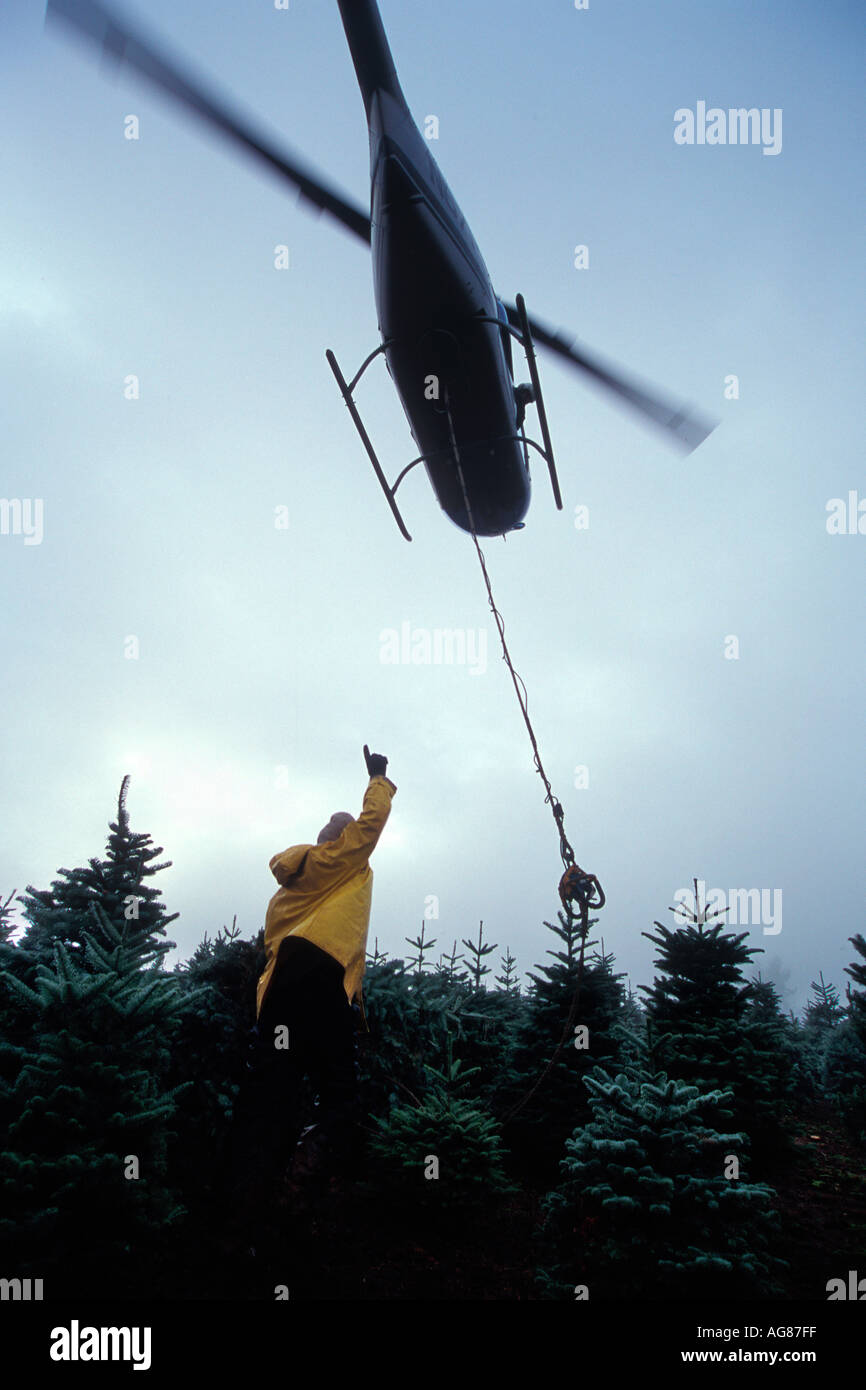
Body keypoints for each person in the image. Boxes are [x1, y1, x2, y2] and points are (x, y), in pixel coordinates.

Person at [222, 744, 396, 1244]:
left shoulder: (289, 888)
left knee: (268, 1097)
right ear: (337, 841)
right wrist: (378, 777)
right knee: (341, 1096)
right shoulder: (338, 859)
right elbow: (369, 826)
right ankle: (302, 1176)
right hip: (318, 979)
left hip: (280, 994)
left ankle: (243, 1219)